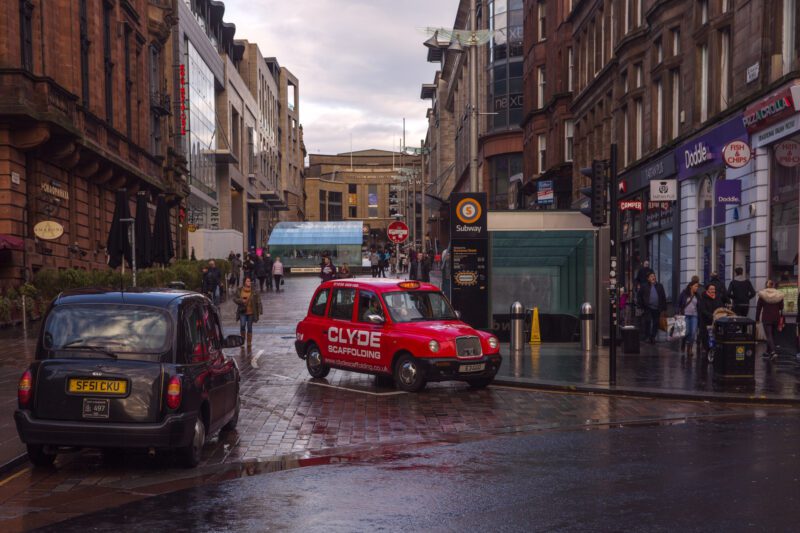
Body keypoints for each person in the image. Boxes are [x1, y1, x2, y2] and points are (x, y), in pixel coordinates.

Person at [756, 279, 784, 360]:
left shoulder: (763, 295)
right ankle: (767, 352)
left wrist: (757, 318)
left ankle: (773, 352)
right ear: (773, 285)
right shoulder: (778, 295)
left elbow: (758, 308)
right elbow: (781, 307)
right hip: (776, 317)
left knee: (769, 335)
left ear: (766, 285)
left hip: (766, 317)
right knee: (772, 335)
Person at [637, 272, 667, 344]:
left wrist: (664, 308)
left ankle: (653, 337)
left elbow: (663, 297)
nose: (653, 277)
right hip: (648, 307)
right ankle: (647, 336)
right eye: (651, 276)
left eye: (654, 276)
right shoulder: (644, 286)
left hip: (657, 308)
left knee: (656, 323)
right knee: (648, 321)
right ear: (648, 279)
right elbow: (639, 296)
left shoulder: (660, 286)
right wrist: (641, 305)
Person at [233, 277, 261, 350]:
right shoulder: (240, 290)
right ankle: (242, 341)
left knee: (249, 327)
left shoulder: (254, 291)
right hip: (243, 311)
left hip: (251, 312)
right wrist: (241, 301)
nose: (249, 282)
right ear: (244, 282)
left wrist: (260, 310)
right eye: (247, 281)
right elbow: (235, 299)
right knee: (242, 325)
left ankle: (249, 342)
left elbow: (258, 301)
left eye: (250, 281)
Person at [698, 284, 724, 352]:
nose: (713, 290)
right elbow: (703, 310)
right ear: (707, 290)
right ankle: (706, 348)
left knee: (714, 334)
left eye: (714, 289)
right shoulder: (703, 298)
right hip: (706, 320)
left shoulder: (717, 298)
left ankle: (713, 348)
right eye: (711, 289)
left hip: (715, 320)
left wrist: (719, 314)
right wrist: (711, 315)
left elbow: (721, 307)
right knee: (706, 335)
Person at [678, 280, 701, 357]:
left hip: (694, 316)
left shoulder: (697, 295)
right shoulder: (684, 294)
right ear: (691, 286)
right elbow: (679, 303)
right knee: (687, 332)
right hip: (685, 315)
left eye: (697, 286)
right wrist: (677, 312)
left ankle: (689, 348)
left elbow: (699, 306)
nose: (697, 288)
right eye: (696, 286)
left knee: (693, 332)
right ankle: (684, 343)